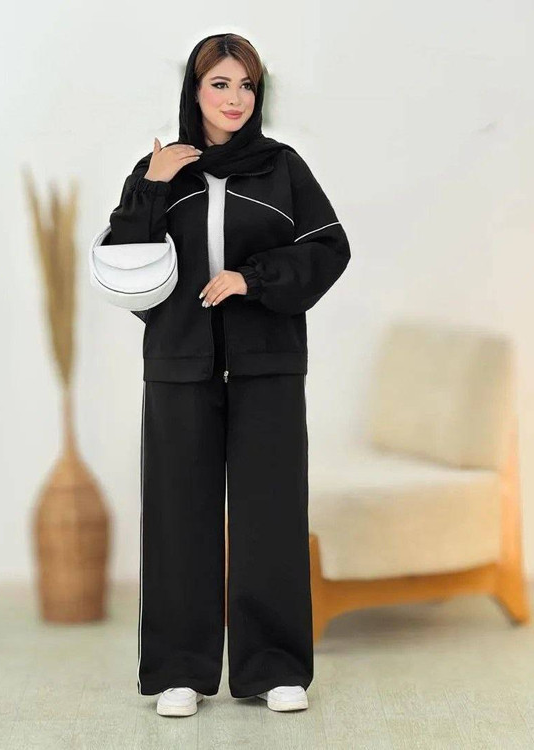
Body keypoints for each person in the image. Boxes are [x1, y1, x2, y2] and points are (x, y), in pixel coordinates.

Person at [102, 32, 351, 717]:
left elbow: (328, 249)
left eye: (246, 85)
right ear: (194, 90)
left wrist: (253, 279)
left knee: (270, 513)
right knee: (177, 515)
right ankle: (179, 671)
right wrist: (152, 187)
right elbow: (125, 264)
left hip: (267, 364)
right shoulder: (157, 171)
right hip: (180, 365)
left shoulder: (283, 168)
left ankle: (274, 668)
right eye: (220, 84)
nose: (234, 98)